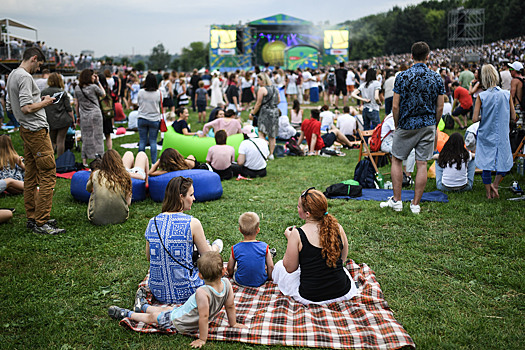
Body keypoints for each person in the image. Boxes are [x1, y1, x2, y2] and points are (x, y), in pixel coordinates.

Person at [108, 251, 245, 348]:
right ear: (223, 271)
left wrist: (202, 339)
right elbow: (230, 306)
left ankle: (127, 314)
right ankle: (142, 306)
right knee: (168, 309)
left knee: (153, 317)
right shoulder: (227, 284)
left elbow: (203, 317)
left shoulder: (202, 292)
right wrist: (233, 323)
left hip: (178, 321)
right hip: (182, 312)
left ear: (200, 276)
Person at [6, 47, 65, 235]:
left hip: (26, 130)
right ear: (33, 58)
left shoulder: (12, 75)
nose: (38, 69)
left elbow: (11, 105)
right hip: (36, 130)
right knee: (48, 173)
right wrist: (46, 102)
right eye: (38, 64)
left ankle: (32, 217)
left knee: (31, 175)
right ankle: (42, 222)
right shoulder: (24, 77)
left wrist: (39, 99)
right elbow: (26, 107)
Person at [380, 41, 445, 214]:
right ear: (428, 56)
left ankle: (397, 200)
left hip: (406, 123)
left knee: (396, 159)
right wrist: (435, 123)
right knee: (422, 163)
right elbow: (440, 107)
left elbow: (395, 106)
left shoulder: (402, 76)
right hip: (428, 123)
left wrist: (396, 123)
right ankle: (415, 204)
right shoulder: (436, 77)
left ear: (411, 56)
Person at [143, 177, 223, 304]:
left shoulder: (152, 222)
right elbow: (209, 258)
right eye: (191, 195)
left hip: (158, 291)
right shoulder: (192, 223)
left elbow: (149, 257)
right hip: (187, 291)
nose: (194, 198)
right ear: (181, 197)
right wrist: (216, 247)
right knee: (218, 279)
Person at [272, 188, 358, 305]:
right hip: (342, 291)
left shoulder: (297, 234)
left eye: (298, 207)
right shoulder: (337, 227)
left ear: (307, 214)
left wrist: (291, 239)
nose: (297, 209)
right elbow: (343, 259)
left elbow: (290, 268)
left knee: (279, 266)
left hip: (312, 296)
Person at [473, 64, 516, 199]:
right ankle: (496, 184)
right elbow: (513, 117)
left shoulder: (482, 96)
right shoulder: (506, 94)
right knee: (504, 159)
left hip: (487, 132)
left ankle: (488, 192)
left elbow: (474, 119)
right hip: (502, 132)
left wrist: (483, 116)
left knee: (486, 162)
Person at [227, 212, 274, 287]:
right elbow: (271, 266)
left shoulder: (235, 248)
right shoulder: (264, 247)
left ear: (240, 230)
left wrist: (230, 275)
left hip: (240, 282)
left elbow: (230, 268)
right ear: (258, 230)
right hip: (260, 281)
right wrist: (269, 278)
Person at [86, 149, 132, 225]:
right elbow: (128, 202)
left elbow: (88, 189)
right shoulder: (125, 176)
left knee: (93, 193)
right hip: (121, 218)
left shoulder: (96, 174)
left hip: (96, 219)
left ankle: (98, 210)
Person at [75, 69, 106, 167]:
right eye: (93, 76)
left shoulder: (77, 88)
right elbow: (103, 94)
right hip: (96, 114)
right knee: (98, 136)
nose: (94, 77)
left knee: (85, 137)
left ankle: (84, 161)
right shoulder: (93, 87)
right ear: (89, 76)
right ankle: (99, 157)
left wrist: (78, 116)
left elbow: (76, 104)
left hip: (84, 115)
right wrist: (98, 82)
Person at [41, 73, 74, 157]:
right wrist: (73, 120)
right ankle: (60, 161)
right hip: (63, 120)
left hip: (50, 120)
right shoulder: (62, 92)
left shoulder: (44, 92)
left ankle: (50, 160)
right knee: (61, 141)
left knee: (51, 141)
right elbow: (69, 109)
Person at [249, 72, 280, 159]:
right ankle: (271, 154)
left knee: (261, 133)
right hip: (274, 112)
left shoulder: (262, 89)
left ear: (263, 80)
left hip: (265, 113)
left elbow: (258, 103)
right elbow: (279, 100)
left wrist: (252, 113)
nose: (258, 83)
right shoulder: (275, 88)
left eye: (258, 81)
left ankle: (264, 152)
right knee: (272, 134)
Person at [137, 73, 162, 163]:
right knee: (153, 142)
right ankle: (153, 163)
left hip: (142, 118)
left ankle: (140, 162)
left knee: (142, 141)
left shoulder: (141, 92)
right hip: (154, 119)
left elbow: (138, 103)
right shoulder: (158, 93)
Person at [97, 73, 114, 152]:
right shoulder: (108, 89)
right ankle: (110, 151)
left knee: (99, 136)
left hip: (100, 112)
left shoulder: (97, 89)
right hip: (107, 113)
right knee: (108, 135)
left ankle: (101, 152)